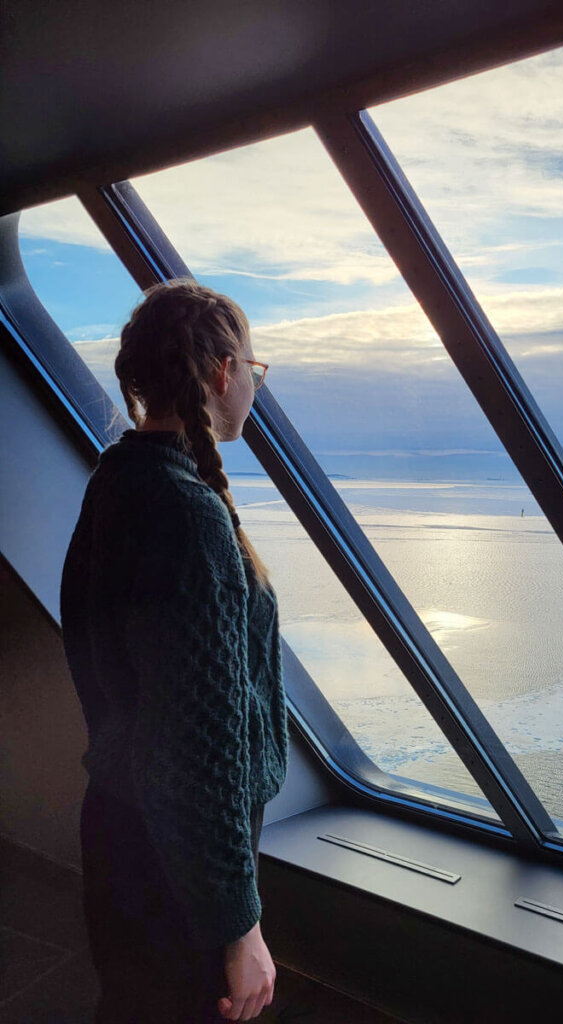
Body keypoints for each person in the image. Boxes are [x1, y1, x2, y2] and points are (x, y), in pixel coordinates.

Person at [60, 279, 289, 1023]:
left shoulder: (118, 482)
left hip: (124, 825)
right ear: (223, 372)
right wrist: (238, 925)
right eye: (254, 371)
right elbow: (204, 745)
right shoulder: (188, 516)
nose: (253, 386)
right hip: (176, 862)